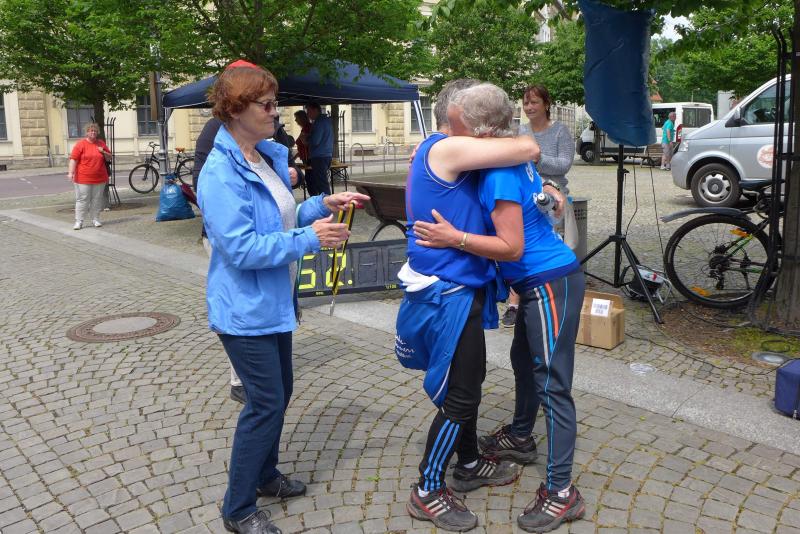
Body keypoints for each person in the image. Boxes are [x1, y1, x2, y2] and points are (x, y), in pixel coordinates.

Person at [198, 63, 368, 534]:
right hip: (244, 309)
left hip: (274, 302)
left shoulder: (263, 157)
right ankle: (237, 509)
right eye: (267, 104)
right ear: (236, 109)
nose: (277, 112)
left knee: (279, 394)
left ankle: (266, 475)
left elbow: (280, 217)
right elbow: (242, 248)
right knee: (264, 403)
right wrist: (312, 239)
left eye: (276, 103)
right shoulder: (221, 172)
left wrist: (321, 205)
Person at [414, 83, 586, 533]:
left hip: (548, 281)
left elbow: (511, 248)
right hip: (536, 282)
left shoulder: (498, 172)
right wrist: (549, 190)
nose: (449, 132)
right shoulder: (498, 160)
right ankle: (522, 437)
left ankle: (562, 492)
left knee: (553, 385)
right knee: (523, 363)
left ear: (479, 130)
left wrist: (456, 238)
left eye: (456, 123)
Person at [503, 84, 577, 328]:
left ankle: (543, 294)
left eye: (534, 102)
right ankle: (514, 302)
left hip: (552, 196)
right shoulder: (520, 131)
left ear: (546, 104)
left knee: (540, 245)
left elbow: (564, 165)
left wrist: (537, 158)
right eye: (526, 102)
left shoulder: (560, 131)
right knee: (519, 241)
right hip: (526, 192)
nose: (529, 107)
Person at [68, 122, 111, 230]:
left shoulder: (101, 143)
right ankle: (79, 221)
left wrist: (103, 152)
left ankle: (95, 219)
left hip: (100, 178)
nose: (93, 132)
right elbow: (73, 159)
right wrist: (70, 173)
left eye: (95, 131)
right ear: (87, 132)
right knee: (82, 200)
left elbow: (109, 158)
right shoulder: (80, 144)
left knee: (97, 200)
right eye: (91, 131)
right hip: (83, 178)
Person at [305, 102, 333, 196]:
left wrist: (307, 138)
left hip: (319, 156)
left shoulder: (319, 122)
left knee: (322, 184)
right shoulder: (326, 121)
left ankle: (326, 203)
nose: (307, 114)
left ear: (315, 110)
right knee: (321, 182)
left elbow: (315, 141)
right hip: (326, 155)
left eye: (308, 111)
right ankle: (325, 201)